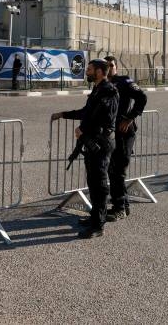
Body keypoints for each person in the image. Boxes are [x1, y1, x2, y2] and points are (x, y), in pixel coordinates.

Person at [51, 59, 118, 238]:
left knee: (100, 184)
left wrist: (83, 129)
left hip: (101, 143)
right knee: (93, 182)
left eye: (89, 69)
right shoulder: (97, 89)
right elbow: (86, 112)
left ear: (99, 72)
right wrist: (63, 114)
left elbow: (100, 116)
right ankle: (94, 217)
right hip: (91, 142)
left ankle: (98, 225)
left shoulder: (109, 91)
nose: (86, 72)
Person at [104, 55, 147, 221]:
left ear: (116, 68)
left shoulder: (124, 81)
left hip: (124, 134)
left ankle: (120, 208)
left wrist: (130, 118)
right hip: (109, 134)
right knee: (113, 171)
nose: (110, 69)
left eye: (112, 66)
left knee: (118, 171)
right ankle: (122, 205)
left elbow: (142, 98)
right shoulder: (103, 85)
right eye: (106, 66)